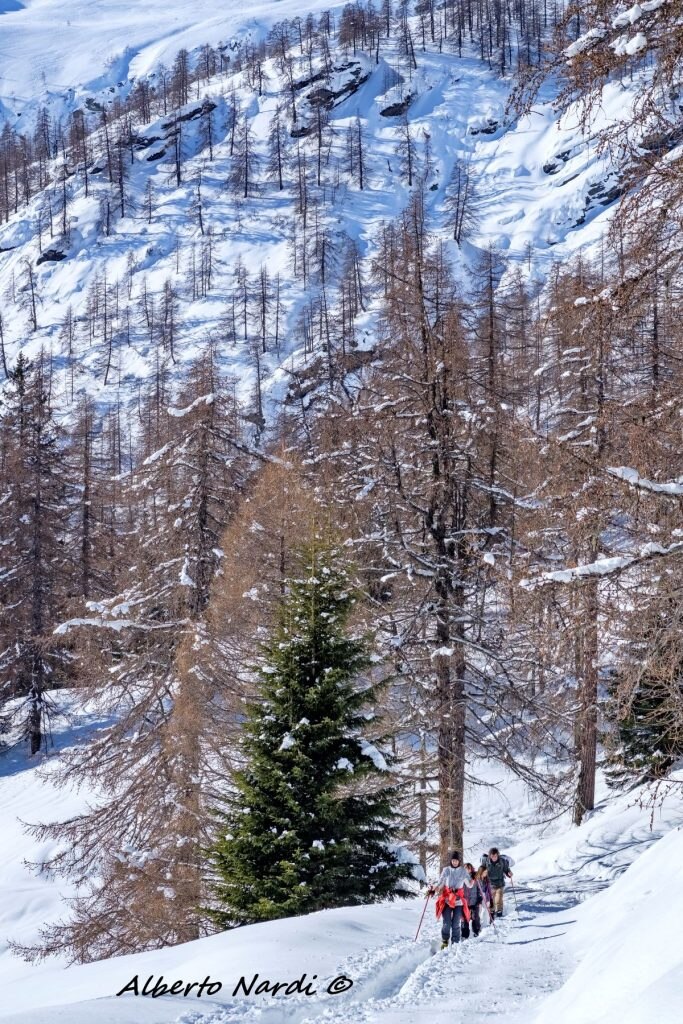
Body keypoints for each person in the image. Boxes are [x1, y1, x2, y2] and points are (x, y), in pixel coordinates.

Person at [428, 850, 474, 948]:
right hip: (447, 899)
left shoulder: (463, 871)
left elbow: (469, 885)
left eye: (456, 861)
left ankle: (455, 943)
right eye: (453, 860)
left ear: (459, 861)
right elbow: (440, 883)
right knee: (447, 922)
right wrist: (434, 890)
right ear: (451, 861)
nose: (454, 862)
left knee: (456, 923)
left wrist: (473, 878)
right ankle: (445, 940)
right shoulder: (446, 870)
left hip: (458, 900)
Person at [480, 847, 513, 918]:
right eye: (492, 856)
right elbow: (481, 870)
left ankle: (499, 911)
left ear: (498, 855)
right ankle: (492, 911)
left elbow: (506, 869)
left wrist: (509, 873)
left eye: (495, 856)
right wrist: (483, 874)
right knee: (492, 899)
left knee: (498, 898)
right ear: (490, 856)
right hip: (490, 884)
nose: (494, 858)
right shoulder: (486, 862)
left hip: (500, 883)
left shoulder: (502, 861)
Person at [461, 863, 482, 938]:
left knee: (475, 917)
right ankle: (464, 935)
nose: (467, 870)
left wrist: (479, 898)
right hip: (464, 903)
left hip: (474, 901)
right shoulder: (461, 878)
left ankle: (476, 931)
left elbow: (479, 889)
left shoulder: (475, 877)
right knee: (465, 918)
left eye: (468, 868)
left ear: (471, 869)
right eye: (465, 868)